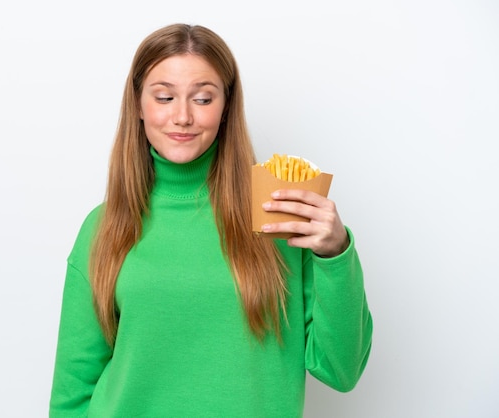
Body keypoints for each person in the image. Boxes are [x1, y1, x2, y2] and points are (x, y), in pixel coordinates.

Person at [49, 23, 373, 418]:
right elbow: (72, 392)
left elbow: (341, 369)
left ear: (225, 107)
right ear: (138, 104)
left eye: (202, 98)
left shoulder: (278, 214)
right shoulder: (103, 227)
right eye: (165, 97)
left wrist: (336, 255)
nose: (182, 116)